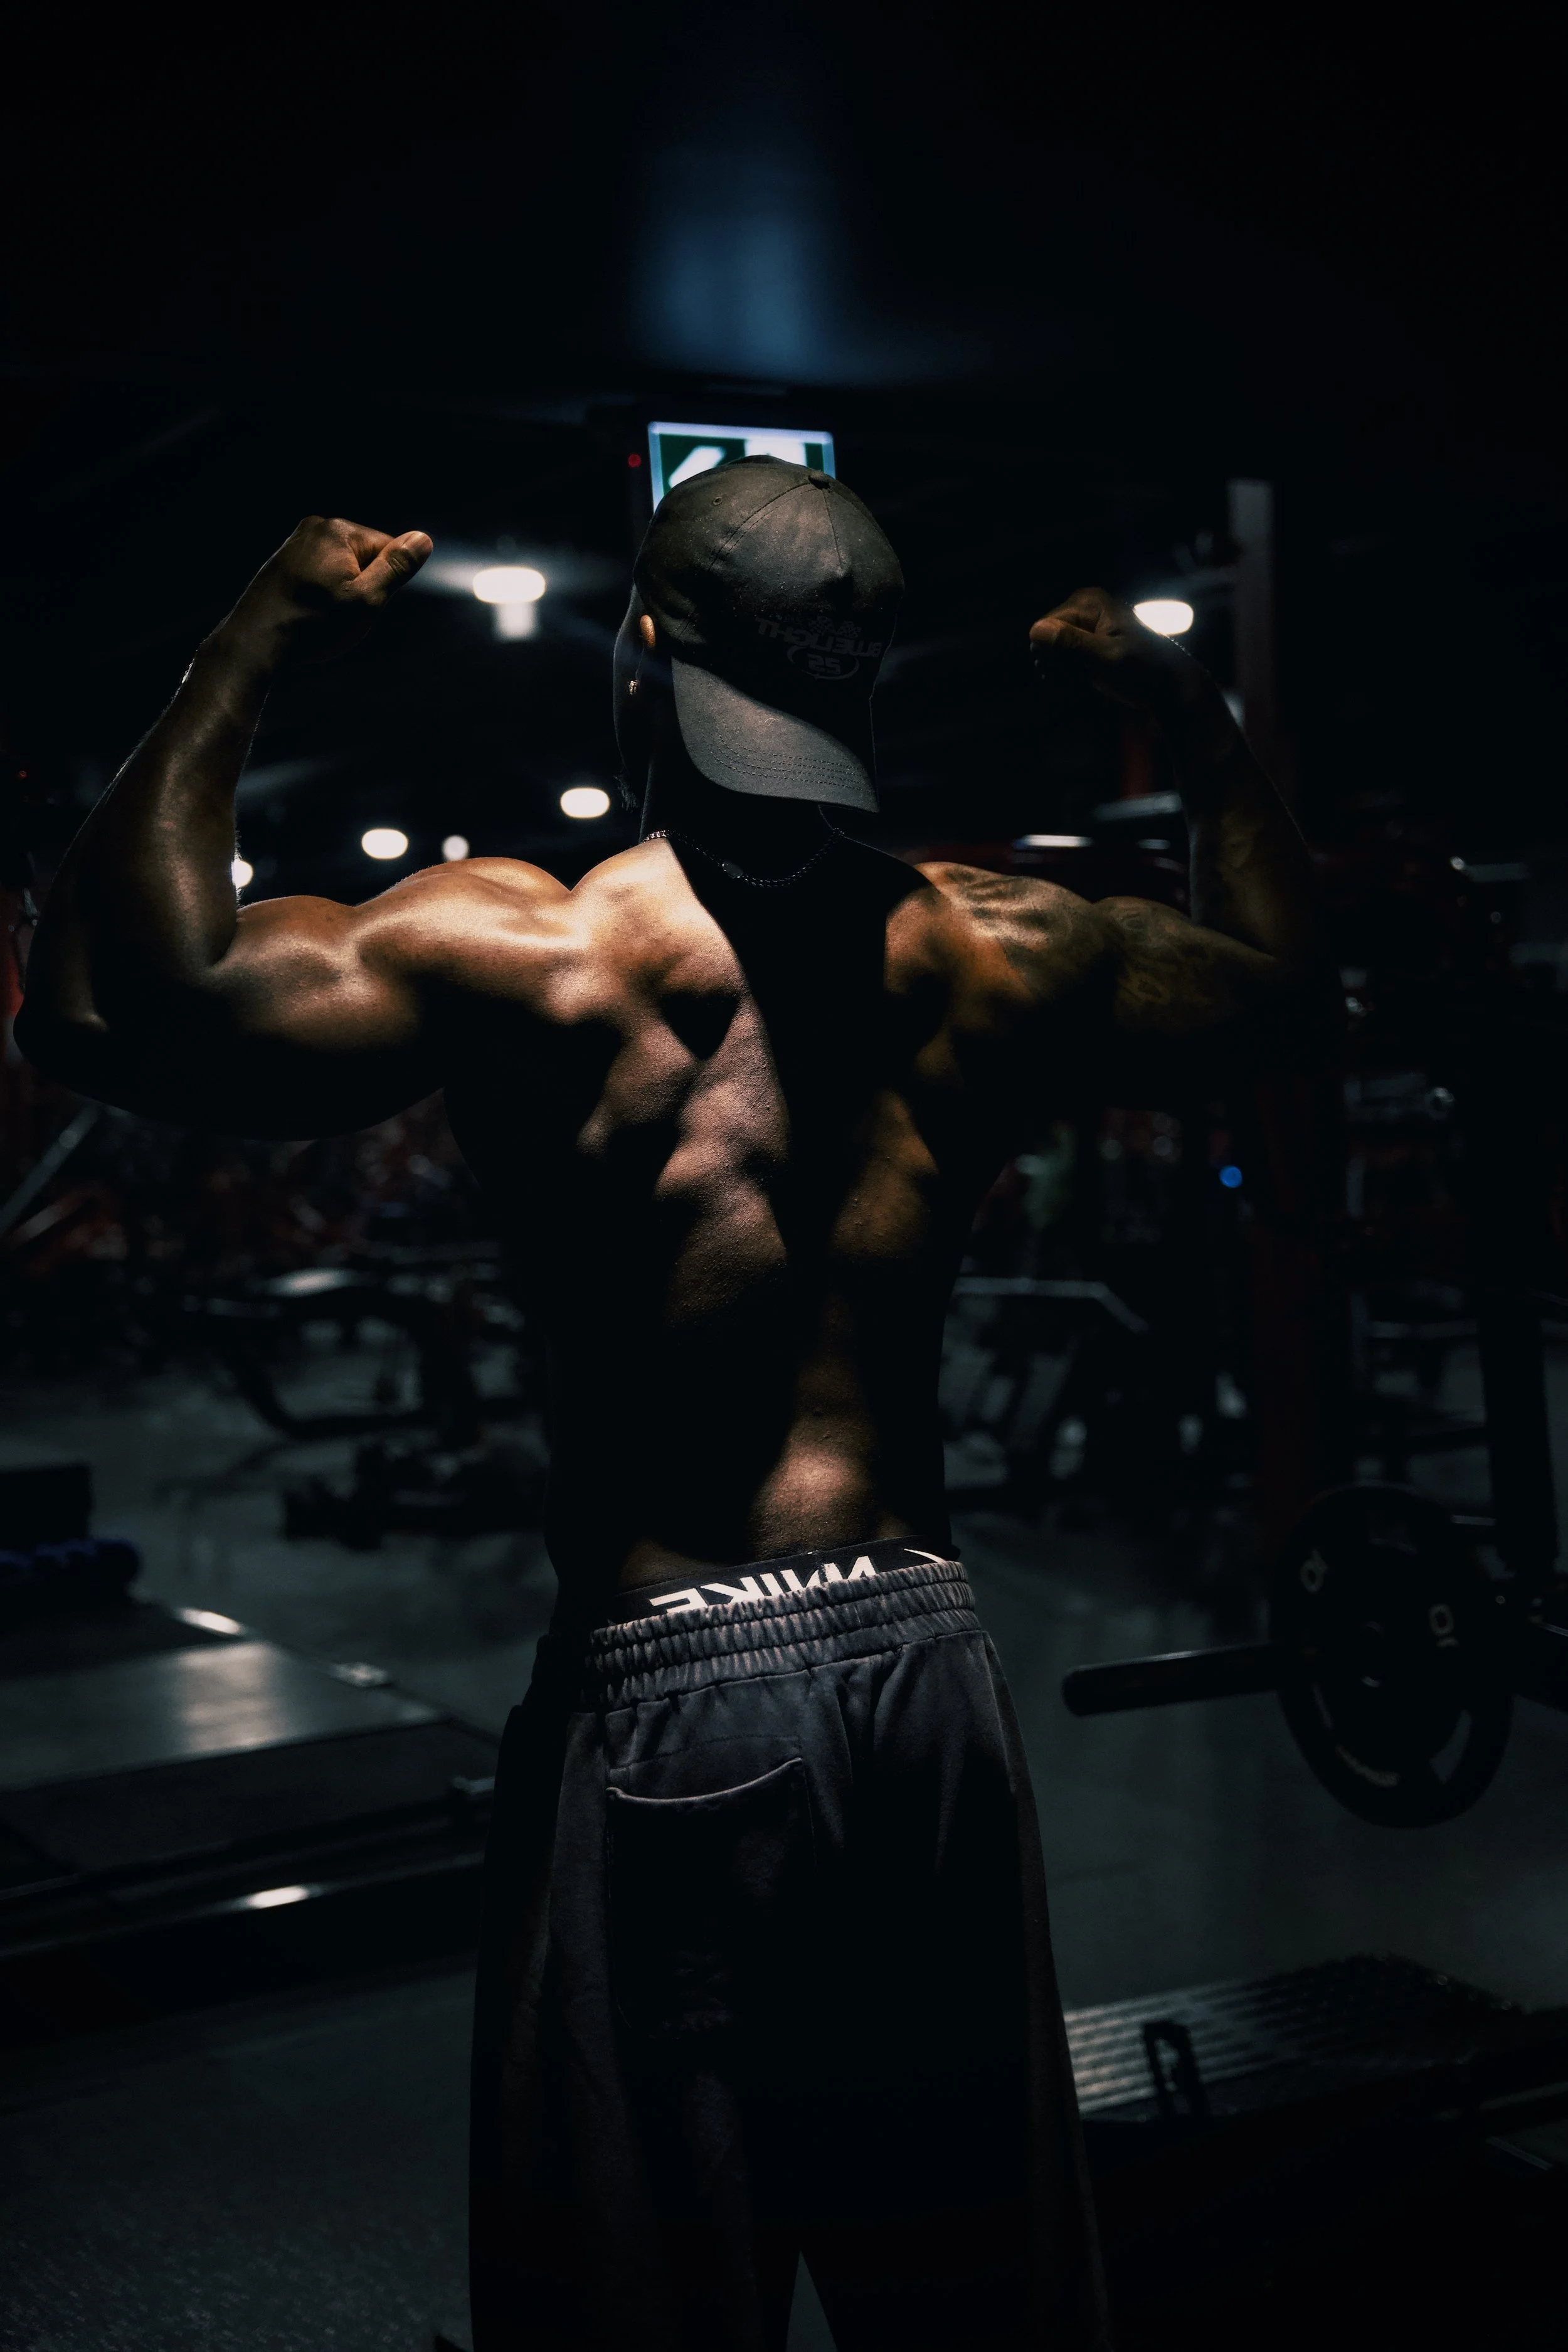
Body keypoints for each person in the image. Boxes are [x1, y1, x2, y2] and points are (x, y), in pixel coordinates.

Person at [18, 458, 1335, 2350]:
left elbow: (100, 1003)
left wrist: (253, 640)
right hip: (926, 1659)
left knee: (635, 2299)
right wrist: (1194, 721)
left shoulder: (532, 951)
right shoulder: (995, 944)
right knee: (967, 2284)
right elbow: (1291, 1000)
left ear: (644, 659)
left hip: (669, 1670)